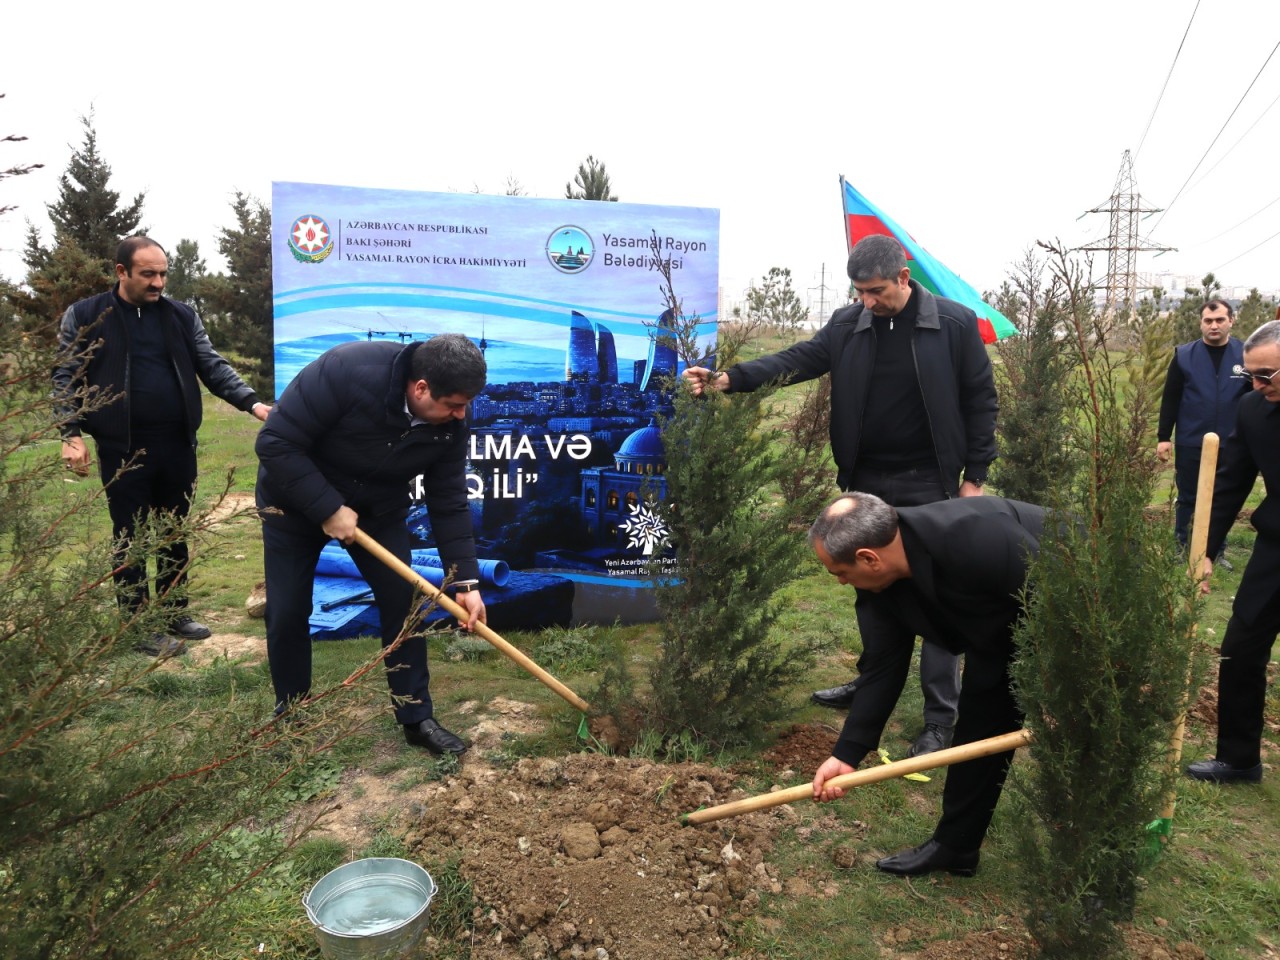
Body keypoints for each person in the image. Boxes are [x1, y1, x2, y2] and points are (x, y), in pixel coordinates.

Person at [683, 234, 997, 757]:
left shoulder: (955, 324)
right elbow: (799, 360)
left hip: (930, 481)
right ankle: (872, 679)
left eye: (875, 291)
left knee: (936, 592)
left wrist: (975, 478)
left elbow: (980, 402)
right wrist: (728, 380)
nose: (867, 302)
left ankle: (940, 716)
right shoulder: (850, 325)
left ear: (903, 277)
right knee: (868, 584)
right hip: (866, 480)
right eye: (859, 293)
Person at [255, 333, 487, 755]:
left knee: (405, 603)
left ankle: (416, 717)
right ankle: (291, 715)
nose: (460, 414)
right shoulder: (346, 370)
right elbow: (275, 441)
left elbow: (449, 501)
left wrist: (466, 582)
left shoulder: (452, 421)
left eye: (465, 405)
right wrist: (327, 507)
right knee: (288, 610)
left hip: (377, 512)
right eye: (453, 405)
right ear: (420, 389)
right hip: (292, 501)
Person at [52, 235, 270, 657]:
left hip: (177, 443)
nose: (158, 283)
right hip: (123, 447)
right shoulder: (86, 315)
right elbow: (64, 377)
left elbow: (211, 364)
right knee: (131, 536)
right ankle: (136, 625)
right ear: (121, 272)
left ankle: (173, 612)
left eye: (163, 274)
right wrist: (70, 433)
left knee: (174, 530)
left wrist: (252, 402)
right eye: (148, 274)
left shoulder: (181, 316)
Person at [806, 492, 1044, 876]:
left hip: (1076, 611)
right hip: (997, 633)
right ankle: (956, 847)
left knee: (1085, 753)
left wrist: (1059, 692)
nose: (840, 582)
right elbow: (883, 666)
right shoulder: (878, 583)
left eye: (839, 572)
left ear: (869, 557)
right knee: (978, 737)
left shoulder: (977, 538)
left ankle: (1102, 871)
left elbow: (1057, 602)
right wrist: (847, 755)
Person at [1186, 319, 1280, 785]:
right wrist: (1203, 548)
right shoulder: (1253, 411)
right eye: (1252, 376)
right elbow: (1230, 485)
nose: (1258, 385)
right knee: (1240, 648)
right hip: (1275, 550)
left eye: (1268, 375)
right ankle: (1239, 758)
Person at [1156, 299, 1249, 565]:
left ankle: (1215, 551)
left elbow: (1256, 399)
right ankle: (1181, 546)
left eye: (1220, 320)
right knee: (1188, 497)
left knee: (1223, 497)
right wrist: (1164, 437)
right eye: (1208, 321)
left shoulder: (1245, 355)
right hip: (1191, 440)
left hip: (1233, 442)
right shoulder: (1184, 356)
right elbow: (1170, 398)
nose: (1214, 325)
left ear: (1231, 320)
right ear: (1201, 323)